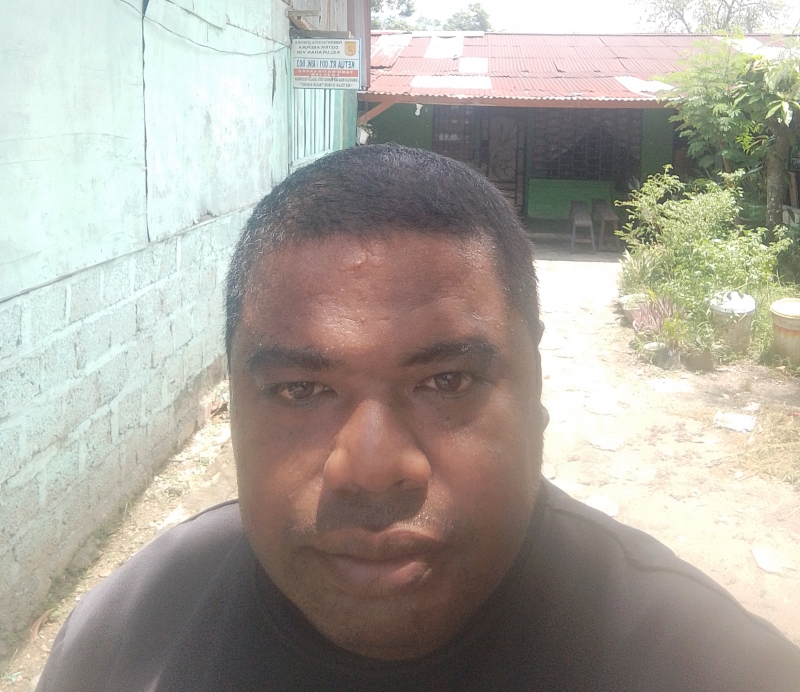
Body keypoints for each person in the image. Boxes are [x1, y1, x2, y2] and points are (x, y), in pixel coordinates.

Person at [38, 145, 800, 691]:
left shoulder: (710, 664)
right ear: (232, 403)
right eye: (301, 390)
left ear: (536, 391)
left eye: (447, 381)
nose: (371, 470)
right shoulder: (126, 640)